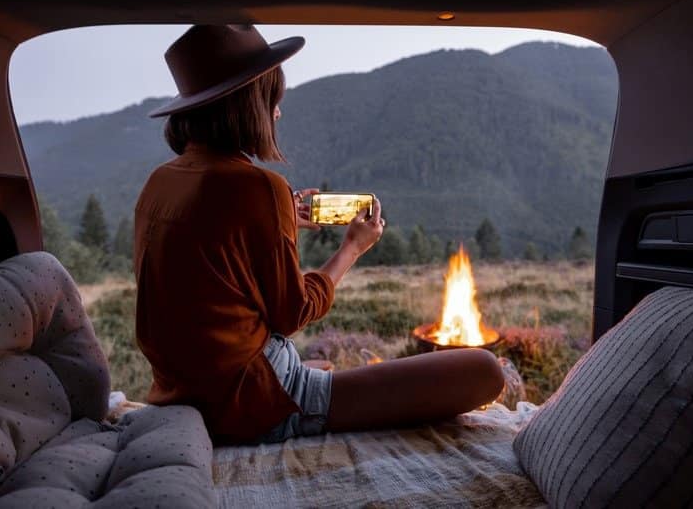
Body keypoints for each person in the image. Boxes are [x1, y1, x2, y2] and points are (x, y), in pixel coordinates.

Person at [134, 24, 504, 444]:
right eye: (273, 100)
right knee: (483, 371)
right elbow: (292, 314)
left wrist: (281, 221)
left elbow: (208, 277)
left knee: (328, 368)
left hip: (183, 394)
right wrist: (352, 247)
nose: (278, 113)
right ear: (249, 104)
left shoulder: (160, 183)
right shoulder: (258, 187)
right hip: (250, 403)